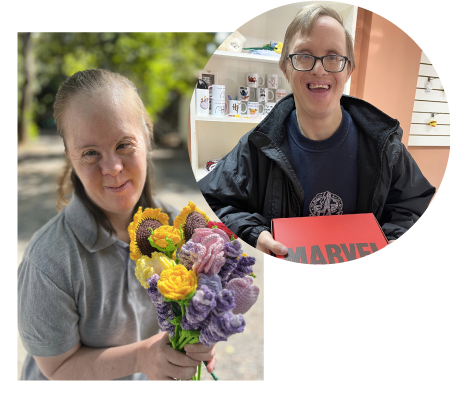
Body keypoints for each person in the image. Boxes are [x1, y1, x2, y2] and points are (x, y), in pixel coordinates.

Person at [18, 69, 216, 380]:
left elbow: (189, 317)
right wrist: (142, 358)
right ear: (70, 156)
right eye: (90, 153)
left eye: (124, 145)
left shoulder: (183, 235)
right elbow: (55, 368)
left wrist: (197, 342)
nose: (112, 168)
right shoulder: (48, 262)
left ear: (147, 135)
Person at [198, 4, 435, 256]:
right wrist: (253, 234)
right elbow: (211, 203)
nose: (319, 69)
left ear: (348, 69)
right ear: (285, 68)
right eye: (304, 55)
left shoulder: (385, 146)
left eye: (333, 56)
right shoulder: (256, 147)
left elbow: (412, 206)